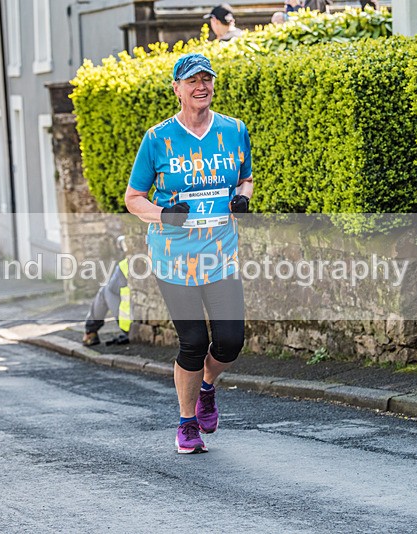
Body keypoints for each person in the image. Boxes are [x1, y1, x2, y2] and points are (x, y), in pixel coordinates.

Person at [125, 53, 253, 454]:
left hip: (220, 253)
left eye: (207, 79)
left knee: (231, 341)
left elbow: (245, 177)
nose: (202, 86)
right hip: (174, 256)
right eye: (192, 80)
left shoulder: (234, 130)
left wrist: (242, 198)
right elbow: (133, 198)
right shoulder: (157, 138)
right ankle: (186, 423)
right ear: (177, 88)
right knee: (193, 342)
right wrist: (163, 214)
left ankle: (207, 388)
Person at [83, 236, 131, 347]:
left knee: (105, 290)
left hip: (129, 323)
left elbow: (112, 288)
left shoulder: (124, 266)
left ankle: (90, 332)